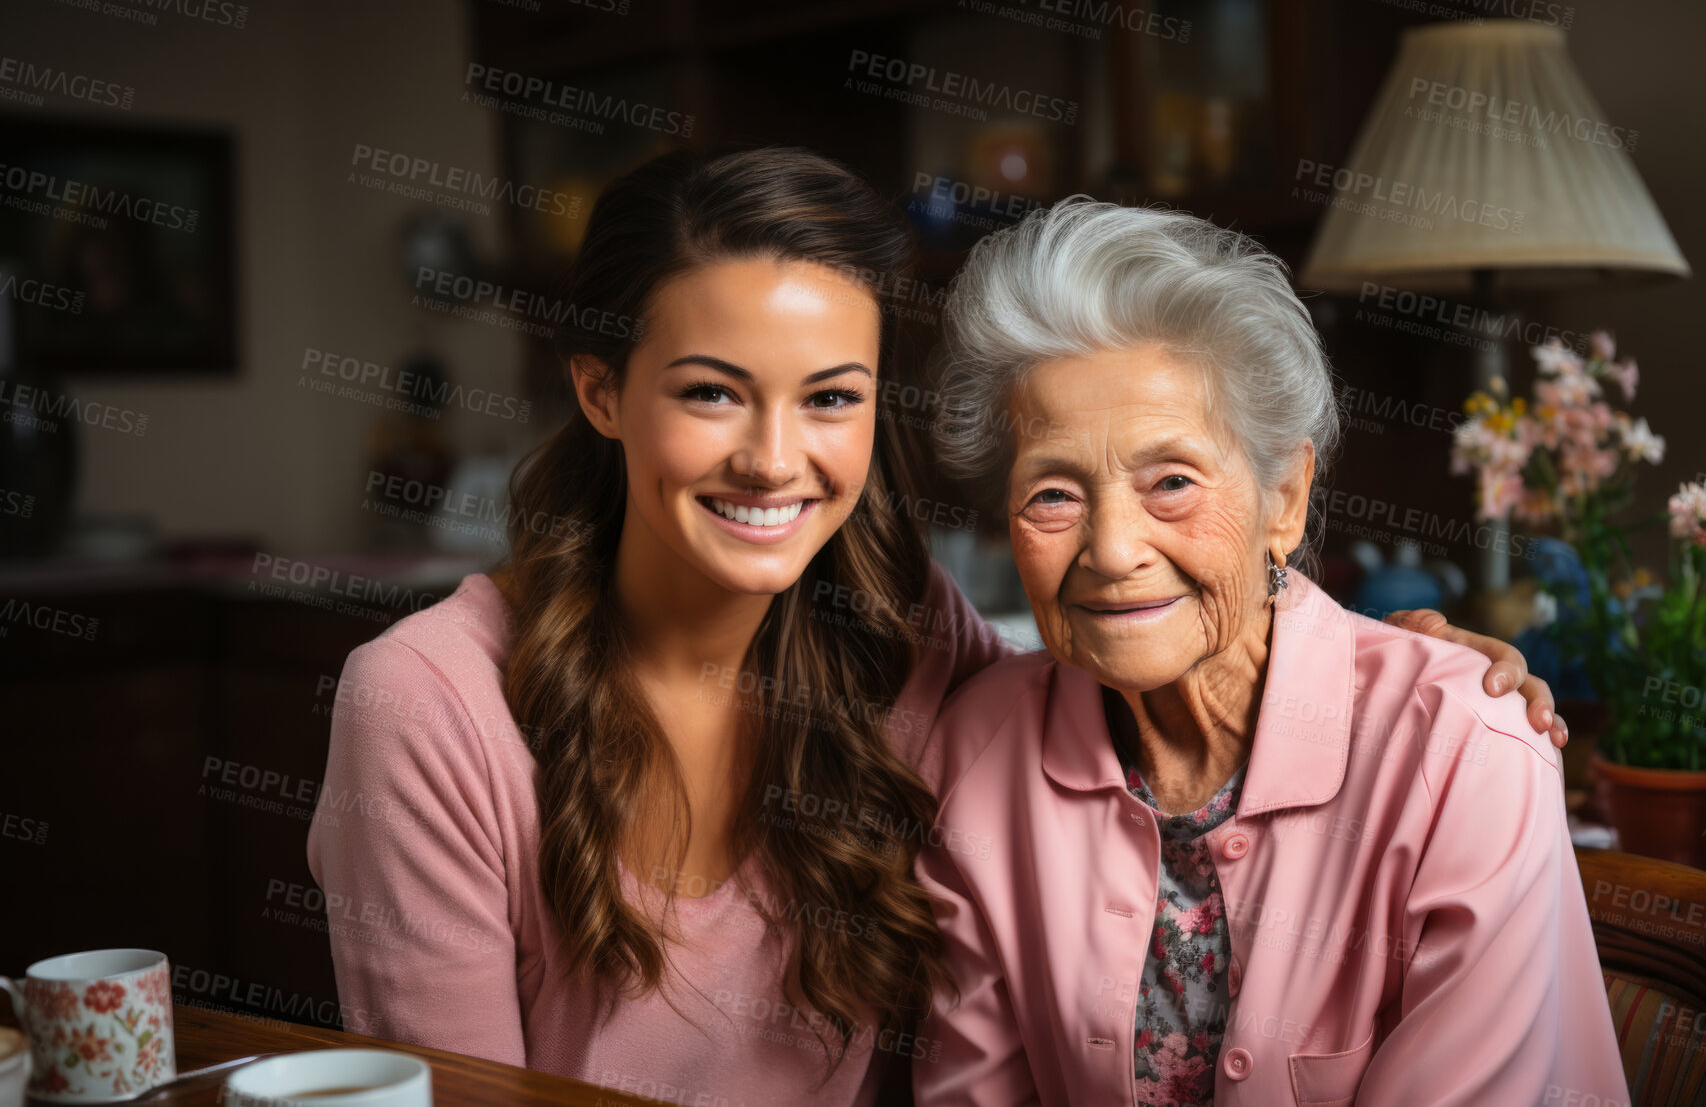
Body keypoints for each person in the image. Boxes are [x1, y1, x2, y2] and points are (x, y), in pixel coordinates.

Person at [306, 149, 1565, 1106]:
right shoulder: (429, 704)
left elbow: (1119, 656)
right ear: (599, 389)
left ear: (1286, 492)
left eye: (830, 397)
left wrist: (1405, 676)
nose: (772, 459)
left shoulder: (893, 632)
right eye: (708, 392)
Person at [913, 198, 1627, 1107]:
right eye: (1053, 494)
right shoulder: (976, 752)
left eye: (1170, 481)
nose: (1111, 550)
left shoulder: (1463, 754)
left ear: (1283, 500)